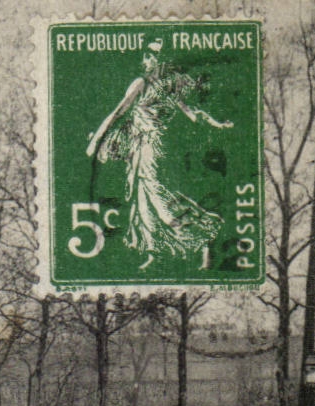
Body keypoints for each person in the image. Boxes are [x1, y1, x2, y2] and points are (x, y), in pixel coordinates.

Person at [86, 40, 233, 270]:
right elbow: (121, 112)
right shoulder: (155, 85)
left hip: (151, 149)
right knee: (142, 196)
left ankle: (205, 235)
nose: (148, 60)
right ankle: (154, 252)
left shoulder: (157, 86)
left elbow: (119, 112)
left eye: (153, 56)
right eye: (147, 55)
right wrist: (217, 123)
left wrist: (96, 142)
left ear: (161, 60)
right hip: (141, 147)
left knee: (156, 197)